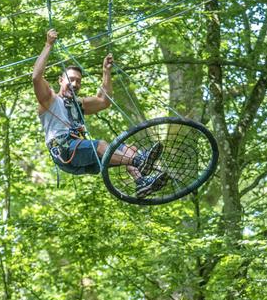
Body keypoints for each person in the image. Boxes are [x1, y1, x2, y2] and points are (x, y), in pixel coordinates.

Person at [32, 29, 167, 197]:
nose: (75, 84)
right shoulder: (50, 100)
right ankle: (140, 162)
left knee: (128, 149)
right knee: (102, 145)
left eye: (78, 81)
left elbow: (104, 101)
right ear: (61, 80)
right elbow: (37, 77)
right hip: (64, 149)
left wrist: (106, 72)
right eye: (71, 79)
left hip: (81, 155)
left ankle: (141, 183)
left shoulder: (78, 104)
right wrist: (48, 45)